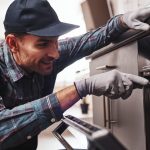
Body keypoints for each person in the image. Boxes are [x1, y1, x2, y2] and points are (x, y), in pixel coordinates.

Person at [0, 0, 150, 149]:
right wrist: (82, 87)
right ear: (13, 44)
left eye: (56, 41)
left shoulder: (43, 54)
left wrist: (122, 21)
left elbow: (84, 41)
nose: (55, 54)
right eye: (43, 44)